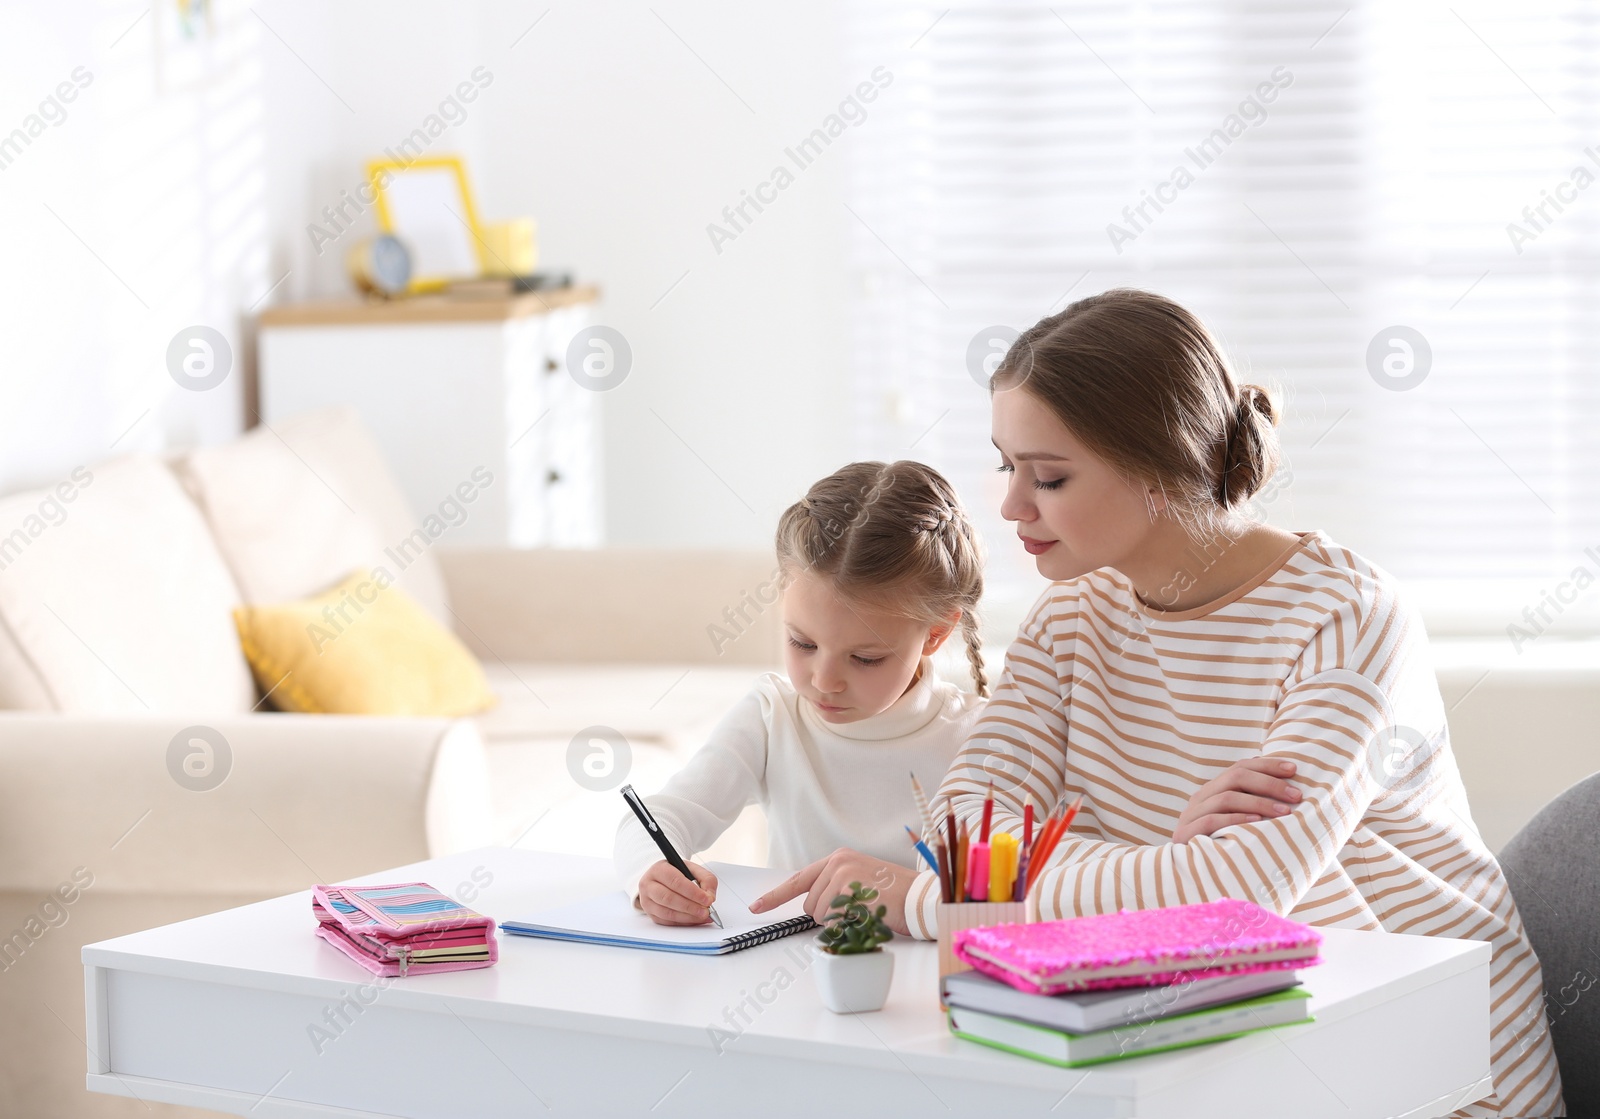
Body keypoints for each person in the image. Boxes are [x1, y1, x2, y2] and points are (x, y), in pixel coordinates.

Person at [753, 289, 1561, 1118]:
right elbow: (969, 841)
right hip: (1222, 1040)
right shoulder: (1071, 617)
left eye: (1050, 476)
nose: (1011, 507)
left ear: (1162, 469)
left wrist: (926, 897)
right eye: (1008, 466)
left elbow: (1236, 897)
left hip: (1427, 1071)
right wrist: (1166, 859)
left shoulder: (1346, 619)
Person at [614, 460, 987, 925]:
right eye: (802, 643)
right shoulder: (773, 717)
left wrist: (912, 896)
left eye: (865, 658)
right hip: (785, 977)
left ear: (935, 633)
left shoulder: (982, 739)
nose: (824, 681)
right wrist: (653, 875)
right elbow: (657, 818)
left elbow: (1018, 896)